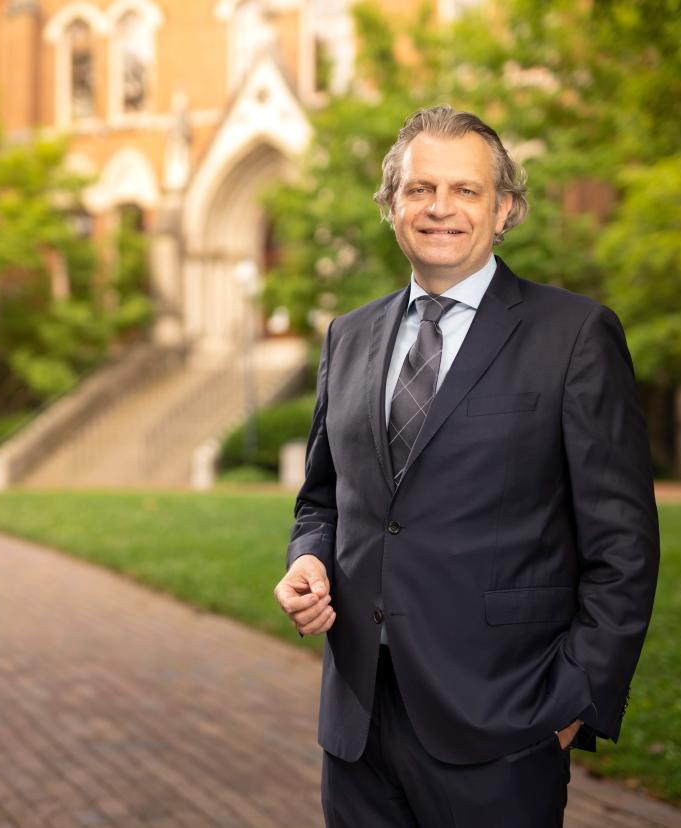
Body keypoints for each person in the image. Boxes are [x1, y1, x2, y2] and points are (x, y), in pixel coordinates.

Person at [273, 105, 660, 826]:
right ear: (392, 206)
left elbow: (624, 546)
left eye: (466, 190)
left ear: (505, 207)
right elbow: (323, 502)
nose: (440, 208)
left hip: (504, 723)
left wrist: (574, 700)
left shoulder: (574, 336)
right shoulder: (347, 336)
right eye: (419, 190)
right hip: (357, 724)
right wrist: (308, 561)